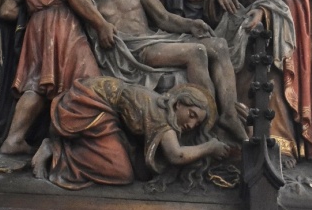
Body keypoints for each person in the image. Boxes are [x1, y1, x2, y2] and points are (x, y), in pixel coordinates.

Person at [75, 0, 247, 143]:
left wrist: (190, 25)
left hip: (155, 38)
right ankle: (209, 122)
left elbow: (163, 18)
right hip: (136, 52)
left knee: (219, 45)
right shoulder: (89, 3)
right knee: (196, 52)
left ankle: (230, 113)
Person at [0, 0, 115, 155]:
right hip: (62, 23)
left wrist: (35, 10)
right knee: (88, 81)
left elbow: (6, 10)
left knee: (35, 85)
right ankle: (84, 145)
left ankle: (13, 139)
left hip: (35, 27)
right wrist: (102, 24)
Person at [209, 0, 312, 167]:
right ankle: (241, 144)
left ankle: (281, 146)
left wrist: (265, 12)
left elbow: (297, 1)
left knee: (272, 85)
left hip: (278, 47)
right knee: (234, 88)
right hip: (244, 44)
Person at [32, 76, 230, 189]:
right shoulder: (160, 113)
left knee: (128, 162)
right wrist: (210, 147)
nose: (192, 124)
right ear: (178, 104)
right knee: (121, 171)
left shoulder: (162, 109)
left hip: (101, 110)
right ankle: (55, 151)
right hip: (87, 105)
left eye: (197, 122)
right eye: (192, 114)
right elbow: (175, 154)